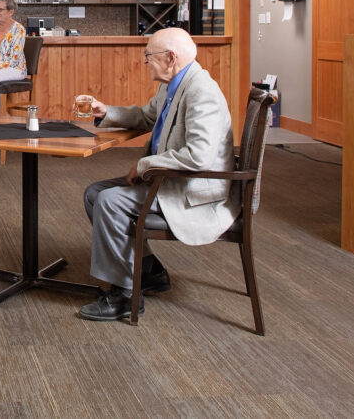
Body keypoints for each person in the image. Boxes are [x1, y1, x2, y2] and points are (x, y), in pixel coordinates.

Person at [77, 28, 235, 321]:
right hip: (170, 180)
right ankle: (149, 272)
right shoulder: (173, 84)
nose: (145, 61)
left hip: (191, 191)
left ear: (170, 58)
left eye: (148, 56)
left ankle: (125, 295)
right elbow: (148, 117)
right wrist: (106, 111)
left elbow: (198, 156)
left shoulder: (202, 92)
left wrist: (145, 165)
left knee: (110, 202)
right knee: (94, 194)